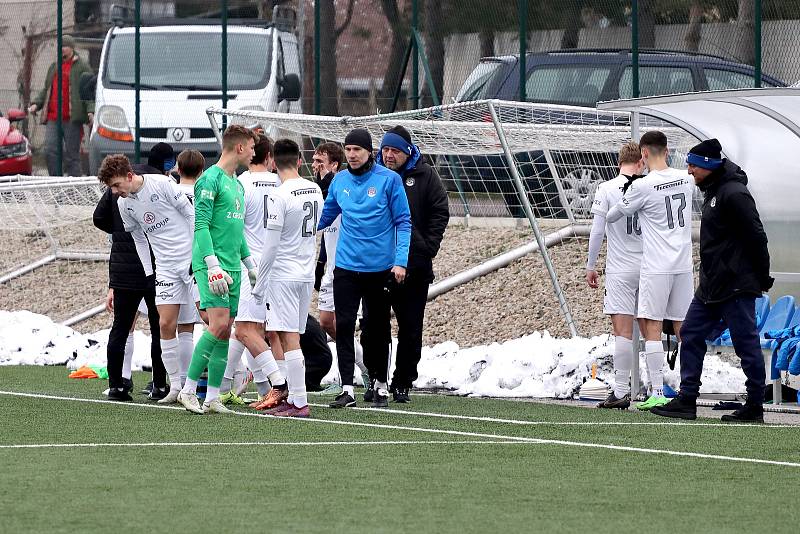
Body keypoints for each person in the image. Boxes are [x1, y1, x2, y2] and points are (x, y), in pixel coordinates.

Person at [651, 139, 773, 423]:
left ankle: (755, 405)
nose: (689, 169)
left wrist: (762, 276)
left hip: (736, 285)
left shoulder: (734, 193)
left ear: (708, 164)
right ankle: (687, 399)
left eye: (693, 164)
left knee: (746, 345)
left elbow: (757, 236)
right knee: (690, 333)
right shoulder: (712, 191)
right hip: (711, 287)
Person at [317, 128, 411, 409]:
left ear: (369, 152)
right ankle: (347, 388)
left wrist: (400, 261)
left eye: (357, 149)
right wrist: (298, 230)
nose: (352, 154)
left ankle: (381, 385)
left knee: (377, 328)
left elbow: (404, 222)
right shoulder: (340, 181)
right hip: (346, 267)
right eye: (347, 149)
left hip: (379, 269)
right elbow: (326, 215)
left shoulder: (389, 180)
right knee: (343, 326)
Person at [606, 131, 694, 410]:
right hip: (684, 265)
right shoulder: (687, 179)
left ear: (643, 154)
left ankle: (657, 391)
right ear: (667, 151)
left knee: (651, 325)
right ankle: (688, 389)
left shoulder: (643, 186)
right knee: (684, 327)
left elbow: (613, 215)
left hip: (656, 267)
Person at [98, 154, 197, 403]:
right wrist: (150, 273)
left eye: (117, 185)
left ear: (130, 176)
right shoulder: (123, 204)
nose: (115, 191)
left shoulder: (162, 184)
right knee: (164, 325)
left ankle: (227, 381)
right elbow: (140, 239)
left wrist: (198, 254)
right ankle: (175, 388)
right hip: (164, 268)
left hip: (190, 261)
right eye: (111, 187)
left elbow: (191, 214)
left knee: (210, 319)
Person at [177, 125, 260, 415]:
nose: (253, 152)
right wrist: (212, 266)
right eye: (251, 147)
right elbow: (201, 226)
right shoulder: (209, 180)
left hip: (233, 267)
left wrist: (250, 264)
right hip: (211, 265)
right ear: (239, 148)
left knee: (226, 331)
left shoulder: (237, 184)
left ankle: (212, 396)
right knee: (219, 325)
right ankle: (187, 391)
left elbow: (237, 231)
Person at [252, 139, 324, 418]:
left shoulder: (279, 195)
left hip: (283, 274)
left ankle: (299, 402)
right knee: (291, 333)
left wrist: (260, 283)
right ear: (299, 161)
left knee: (287, 337)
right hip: (305, 272)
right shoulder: (315, 189)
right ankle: (294, 397)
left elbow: (270, 246)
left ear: (271, 160)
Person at [377, 125, 449, 403]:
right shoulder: (374, 176)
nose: (389, 155)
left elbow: (440, 211)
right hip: (378, 265)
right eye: (385, 150)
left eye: (395, 151)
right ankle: (377, 379)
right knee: (375, 326)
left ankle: (403, 381)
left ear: (407, 152)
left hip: (415, 267)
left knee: (410, 327)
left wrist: (427, 246)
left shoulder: (426, 176)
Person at [223, 134, 289, 410]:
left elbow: (233, 229)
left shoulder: (240, 185)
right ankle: (278, 388)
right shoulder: (282, 185)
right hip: (281, 264)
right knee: (274, 332)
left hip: (252, 267)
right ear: (270, 158)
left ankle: (278, 385)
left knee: (245, 330)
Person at [586, 142, 645, 410]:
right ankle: (656, 389)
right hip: (649, 267)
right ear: (640, 162)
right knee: (652, 330)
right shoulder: (649, 186)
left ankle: (621, 391)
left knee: (622, 331)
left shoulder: (607, 188)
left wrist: (590, 265)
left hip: (621, 269)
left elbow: (598, 231)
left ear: (619, 162)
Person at [92, 176, 162, 401]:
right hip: (152, 267)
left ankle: (117, 385)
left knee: (121, 327)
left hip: (124, 271)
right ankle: (159, 384)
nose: (116, 191)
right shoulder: (155, 184)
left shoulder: (120, 189)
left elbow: (99, 217)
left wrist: (117, 229)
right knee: (159, 327)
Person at [311, 142, 369, 395]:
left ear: (335, 165)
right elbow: (325, 231)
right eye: (313, 161)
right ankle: (356, 370)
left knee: (339, 323)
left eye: (320, 162)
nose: (315, 166)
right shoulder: (320, 191)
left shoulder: (342, 187)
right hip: (331, 267)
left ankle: (366, 370)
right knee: (327, 321)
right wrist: (320, 264)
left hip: (349, 268)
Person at [28, 34, 94, 177]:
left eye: (65, 46)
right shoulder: (54, 66)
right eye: (61, 46)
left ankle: (75, 187)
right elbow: (46, 90)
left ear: (71, 48)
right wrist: (36, 104)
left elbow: (89, 91)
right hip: (53, 117)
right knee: (50, 150)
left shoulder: (82, 66)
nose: (62, 49)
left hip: (72, 118)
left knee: (72, 156)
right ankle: (55, 183)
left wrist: (90, 111)